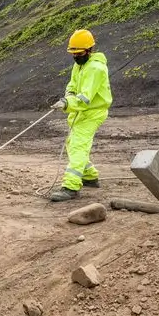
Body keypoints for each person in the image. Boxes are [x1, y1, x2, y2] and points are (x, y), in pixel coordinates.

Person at [49, 29, 113, 202]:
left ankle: (71, 187)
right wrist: (67, 97)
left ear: (89, 50)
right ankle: (90, 177)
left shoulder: (96, 68)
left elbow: (85, 98)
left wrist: (67, 104)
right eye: (73, 54)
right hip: (79, 112)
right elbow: (72, 85)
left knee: (78, 145)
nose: (75, 57)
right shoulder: (79, 66)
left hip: (92, 113)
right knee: (73, 144)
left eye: (78, 53)